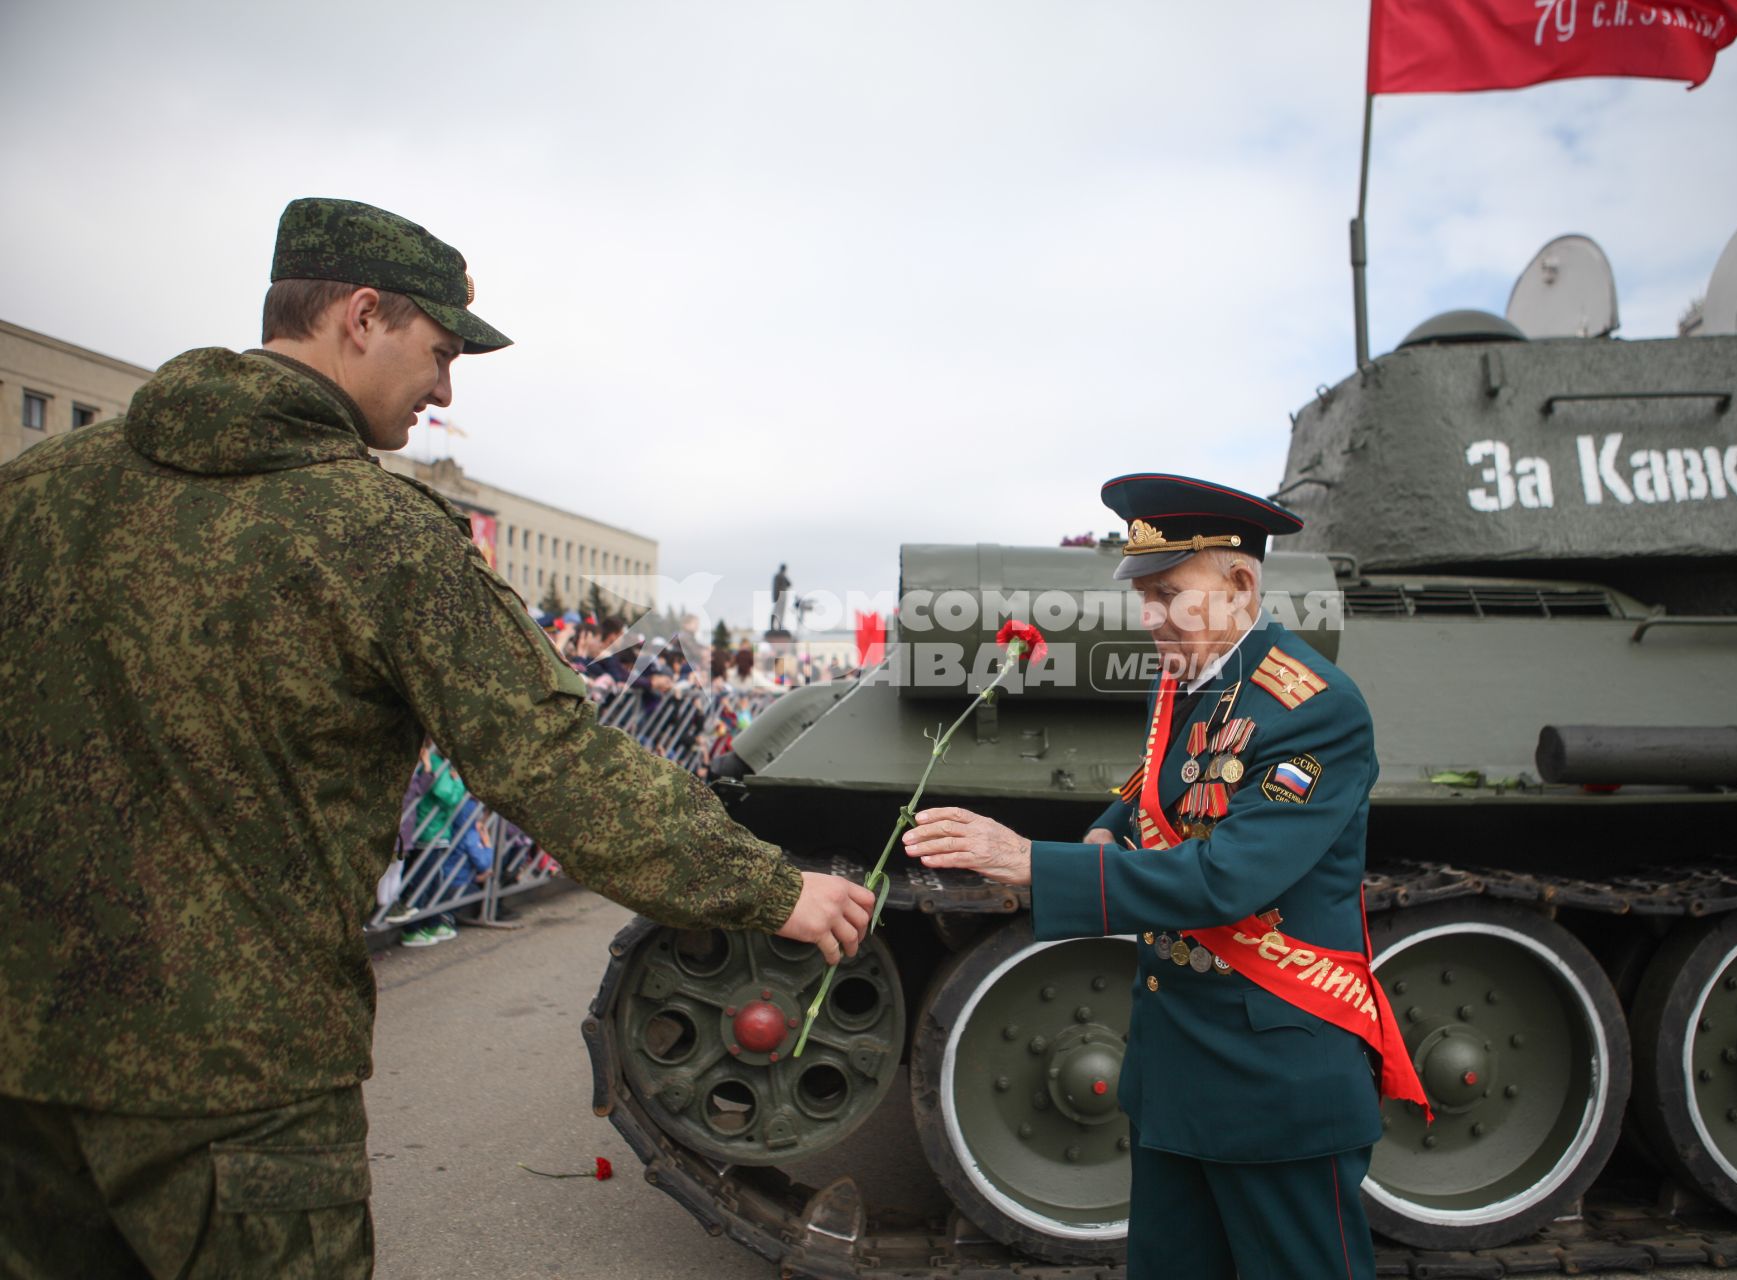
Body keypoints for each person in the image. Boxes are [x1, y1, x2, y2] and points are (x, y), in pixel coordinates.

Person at [0, 197, 873, 1278]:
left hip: (22, 1061)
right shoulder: (375, 532)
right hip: (238, 1085)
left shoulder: (34, 491)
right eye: (442, 348)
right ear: (362, 316)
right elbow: (552, 760)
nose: (447, 388)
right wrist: (767, 886)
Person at [903, 473, 1428, 1280]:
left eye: (1168, 594)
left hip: (1272, 1082)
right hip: (1177, 1075)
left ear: (1240, 583)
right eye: (1144, 595)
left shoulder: (1314, 707)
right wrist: (1100, 836)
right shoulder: (1196, 685)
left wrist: (1030, 862)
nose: (1148, 617)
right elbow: (1155, 794)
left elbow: (1227, 879)